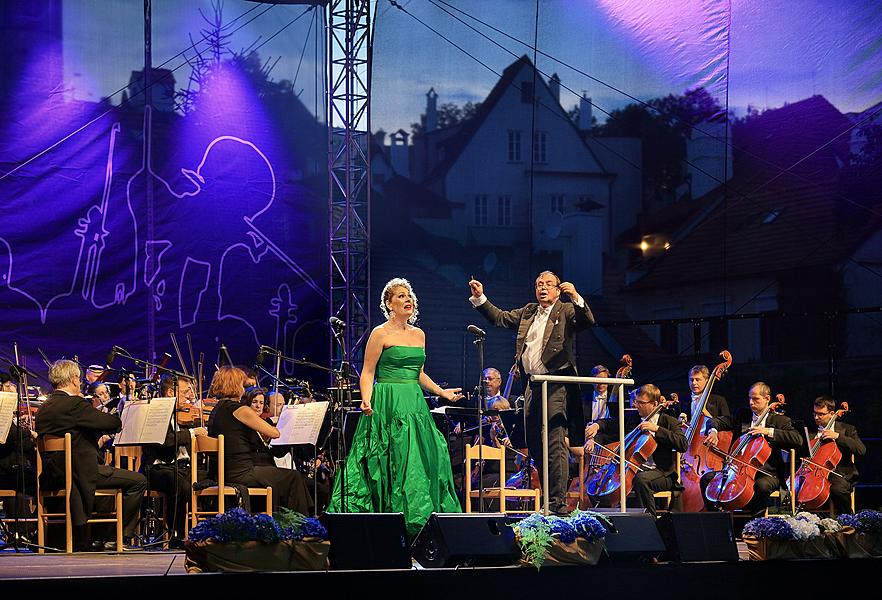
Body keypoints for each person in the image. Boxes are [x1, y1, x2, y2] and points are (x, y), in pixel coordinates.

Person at [329, 277, 462, 536]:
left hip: (413, 402)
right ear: (389, 304)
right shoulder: (380, 333)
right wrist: (365, 398)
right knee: (388, 456)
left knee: (416, 459)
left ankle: (419, 520)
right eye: (401, 296)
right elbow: (367, 372)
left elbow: (418, 373)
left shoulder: (419, 335)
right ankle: (385, 521)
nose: (407, 299)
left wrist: (441, 392)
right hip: (387, 400)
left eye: (409, 295)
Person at [469, 271, 595, 515]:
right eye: (538, 284)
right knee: (534, 443)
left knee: (555, 441)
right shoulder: (529, 311)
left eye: (548, 284)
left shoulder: (566, 310)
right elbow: (501, 318)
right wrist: (480, 298)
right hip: (533, 385)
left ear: (558, 290)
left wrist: (576, 296)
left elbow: (587, 320)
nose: (542, 288)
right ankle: (548, 498)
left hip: (556, 383)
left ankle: (558, 503)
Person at [35, 360, 146, 550]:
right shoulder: (74, 404)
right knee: (138, 481)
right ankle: (116, 537)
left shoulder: (44, 407)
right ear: (73, 380)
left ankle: (100, 537)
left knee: (110, 480)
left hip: (53, 474)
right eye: (78, 378)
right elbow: (112, 424)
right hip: (80, 472)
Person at [207, 366, 313, 515]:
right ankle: (303, 525)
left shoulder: (217, 409)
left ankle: (292, 521)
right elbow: (274, 433)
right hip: (242, 473)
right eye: (242, 383)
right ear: (235, 385)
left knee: (282, 476)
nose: (244, 387)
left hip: (224, 472)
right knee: (293, 477)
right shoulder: (240, 410)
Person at [700, 382, 803, 515]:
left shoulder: (780, 421)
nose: (751, 402)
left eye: (755, 399)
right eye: (749, 398)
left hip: (767, 473)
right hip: (737, 470)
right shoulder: (743, 415)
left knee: (761, 486)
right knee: (706, 479)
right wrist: (713, 431)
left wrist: (767, 431)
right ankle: (716, 520)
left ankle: (755, 525)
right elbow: (717, 421)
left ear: (767, 399)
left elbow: (797, 439)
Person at [588, 384, 686, 516]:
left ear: (654, 403)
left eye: (641, 402)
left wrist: (657, 429)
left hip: (662, 473)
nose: (636, 405)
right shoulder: (633, 419)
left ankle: (649, 522)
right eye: (636, 401)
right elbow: (610, 423)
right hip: (634, 469)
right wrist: (597, 425)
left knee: (641, 480)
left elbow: (683, 444)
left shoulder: (669, 421)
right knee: (599, 485)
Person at [141, 374, 208, 541]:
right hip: (158, 468)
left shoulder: (186, 415)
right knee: (180, 485)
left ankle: (208, 533)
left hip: (184, 467)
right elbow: (166, 441)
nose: (190, 397)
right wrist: (192, 433)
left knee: (217, 479)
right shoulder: (154, 412)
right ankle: (175, 534)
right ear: (171, 392)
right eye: (186, 393)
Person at [807, 395, 866, 515]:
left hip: (840, 473)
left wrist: (838, 436)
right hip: (813, 473)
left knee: (837, 489)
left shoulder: (847, 429)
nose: (816, 417)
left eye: (821, 414)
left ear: (832, 413)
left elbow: (861, 450)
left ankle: (848, 520)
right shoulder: (810, 430)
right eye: (814, 414)